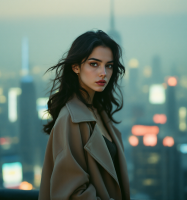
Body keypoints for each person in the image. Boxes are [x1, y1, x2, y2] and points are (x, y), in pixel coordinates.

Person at [38, 30, 130, 200]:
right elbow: (71, 193)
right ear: (76, 67)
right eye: (94, 64)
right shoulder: (71, 119)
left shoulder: (99, 111)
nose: (103, 72)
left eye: (109, 65)